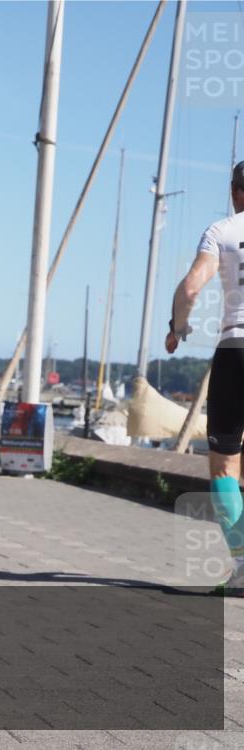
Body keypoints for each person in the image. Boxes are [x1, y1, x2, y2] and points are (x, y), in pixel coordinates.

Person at [165, 161, 244, 595]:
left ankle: (243, 564)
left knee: (223, 466)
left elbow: (191, 288)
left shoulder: (222, 232)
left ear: (235, 192)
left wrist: (177, 329)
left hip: (235, 349)